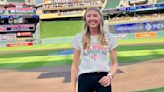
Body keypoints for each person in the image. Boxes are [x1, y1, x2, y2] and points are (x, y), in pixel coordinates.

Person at [71, 7, 118, 92]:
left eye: (95, 15)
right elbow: (74, 65)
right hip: (84, 78)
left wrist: (110, 76)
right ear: (85, 19)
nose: (92, 18)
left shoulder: (109, 37)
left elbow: (114, 63)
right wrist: (72, 88)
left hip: (103, 78)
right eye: (89, 16)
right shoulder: (78, 38)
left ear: (100, 19)